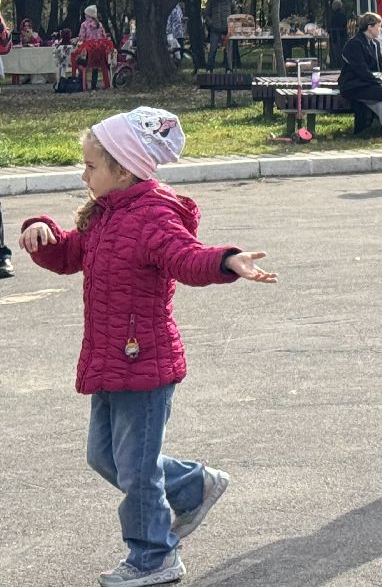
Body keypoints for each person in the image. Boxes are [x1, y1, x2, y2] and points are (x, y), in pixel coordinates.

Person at [18, 106, 276, 587]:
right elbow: (72, 253)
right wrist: (45, 234)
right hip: (107, 358)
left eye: (92, 166)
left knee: (135, 471)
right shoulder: (106, 213)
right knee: (106, 458)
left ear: (123, 168)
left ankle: (154, 555)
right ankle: (192, 484)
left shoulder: (154, 215)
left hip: (144, 361)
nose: (84, 173)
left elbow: (186, 257)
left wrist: (226, 260)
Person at [203, 0, 233, 72]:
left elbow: (235, 12)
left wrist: (232, 25)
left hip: (227, 30)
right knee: (212, 50)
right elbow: (206, 14)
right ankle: (209, 69)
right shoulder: (211, 0)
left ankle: (229, 69)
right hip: (215, 30)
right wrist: (211, 23)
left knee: (229, 51)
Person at [326, 0, 350, 69]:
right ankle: (338, 65)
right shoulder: (343, 15)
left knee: (337, 52)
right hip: (341, 37)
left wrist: (330, 31)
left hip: (336, 37)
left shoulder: (334, 16)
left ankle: (336, 65)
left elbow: (333, 26)